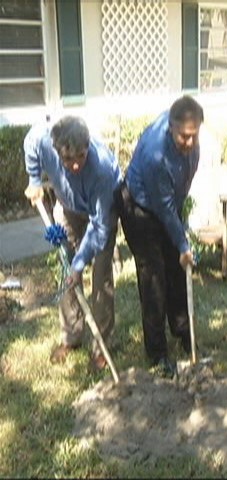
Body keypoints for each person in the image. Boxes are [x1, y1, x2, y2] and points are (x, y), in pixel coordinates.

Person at [24, 115, 121, 372]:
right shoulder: (43, 140)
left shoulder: (101, 170)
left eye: (81, 156)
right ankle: (71, 336)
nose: (75, 165)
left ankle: (101, 347)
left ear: (88, 146)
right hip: (67, 208)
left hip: (100, 213)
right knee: (67, 274)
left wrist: (81, 263)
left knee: (100, 276)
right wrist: (34, 180)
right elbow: (29, 143)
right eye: (68, 159)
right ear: (56, 150)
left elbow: (99, 227)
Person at [117, 95, 204, 377]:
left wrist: (180, 240)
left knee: (178, 271)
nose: (189, 143)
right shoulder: (156, 155)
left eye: (194, 136)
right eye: (184, 137)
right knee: (154, 278)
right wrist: (182, 242)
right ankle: (157, 353)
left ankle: (183, 331)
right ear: (170, 127)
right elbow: (163, 207)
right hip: (139, 209)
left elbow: (182, 189)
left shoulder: (191, 143)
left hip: (167, 204)